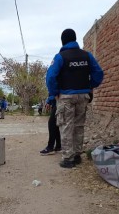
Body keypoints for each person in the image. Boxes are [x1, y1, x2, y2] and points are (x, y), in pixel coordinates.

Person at [46, 29, 103, 168]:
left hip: (66, 96)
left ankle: (68, 158)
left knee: (66, 126)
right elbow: (99, 73)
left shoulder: (60, 57)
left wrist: (54, 93)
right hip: (83, 96)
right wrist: (90, 86)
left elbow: (50, 77)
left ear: (63, 41)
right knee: (78, 126)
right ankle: (77, 155)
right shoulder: (87, 55)